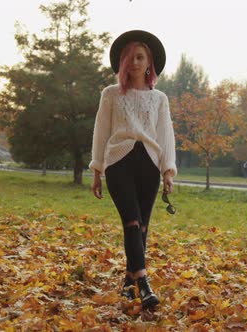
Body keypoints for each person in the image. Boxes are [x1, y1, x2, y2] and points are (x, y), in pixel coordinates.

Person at [89, 30, 176, 310]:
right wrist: (97, 170)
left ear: (149, 63)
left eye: (141, 58)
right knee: (132, 223)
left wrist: (167, 172)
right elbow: (101, 132)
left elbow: (165, 136)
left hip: (149, 163)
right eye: (130, 58)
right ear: (123, 63)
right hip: (118, 162)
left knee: (142, 228)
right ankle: (144, 283)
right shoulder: (111, 94)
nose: (136, 63)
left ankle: (128, 282)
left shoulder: (160, 99)